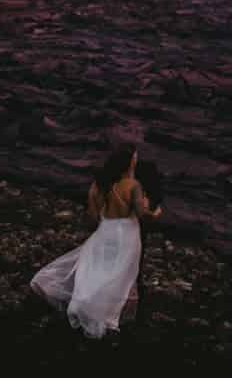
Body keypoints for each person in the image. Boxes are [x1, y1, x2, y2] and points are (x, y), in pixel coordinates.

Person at [30, 144, 163, 339]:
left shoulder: (98, 185)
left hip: (105, 230)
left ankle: (84, 306)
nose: (136, 160)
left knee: (97, 269)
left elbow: (92, 216)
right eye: (135, 158)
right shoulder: (133, 186)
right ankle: (105, 313)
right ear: (129, 163)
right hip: (125, 233)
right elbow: (143, 215)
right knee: (119, 274)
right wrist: (157, 213)